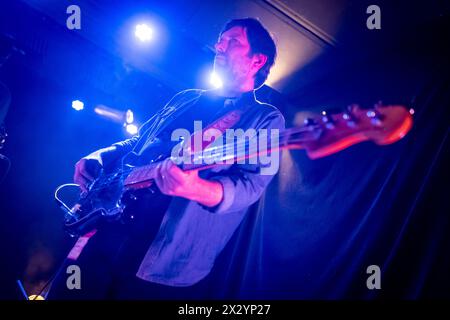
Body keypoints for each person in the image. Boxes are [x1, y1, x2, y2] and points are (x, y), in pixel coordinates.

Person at [48, 17, 285, 300]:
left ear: (257, 61)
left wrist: (195, 188)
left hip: (160, 263)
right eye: (221, 40)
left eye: (233, 42)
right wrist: (99, 155)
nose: (220, 47)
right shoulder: (186, 98)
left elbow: (250, 186)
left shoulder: (264, 119)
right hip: (104, 229)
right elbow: (139, 141)